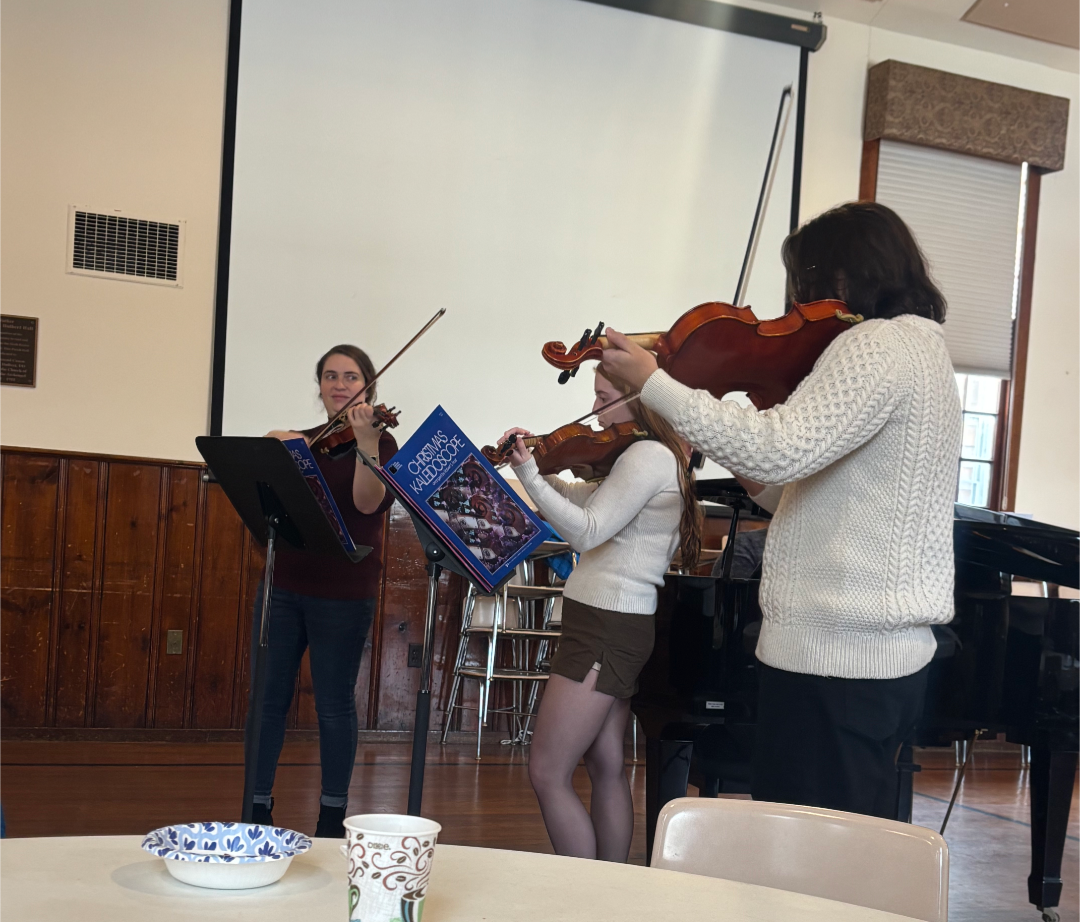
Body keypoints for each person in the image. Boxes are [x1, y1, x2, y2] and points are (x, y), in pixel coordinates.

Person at [600, 201, 962, 819]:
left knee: (804, 853)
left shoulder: (876, 344)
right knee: (844, 846)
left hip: (836, 660)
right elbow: (790, 488)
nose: (796, 304)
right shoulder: (923, 350)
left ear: (842, 275)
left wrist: (656, 384)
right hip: (873, 662)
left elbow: (779, 448)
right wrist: (722, 428)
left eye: (804, 282)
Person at [499, 367, 701, 861]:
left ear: (639, 398)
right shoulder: (647, 455)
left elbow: (586, 531)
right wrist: (534, 468)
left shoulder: (648, 456)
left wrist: (530, 474)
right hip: (612, 622)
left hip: (605, 625)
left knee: (547, 771)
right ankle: (611, 888)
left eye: (605, 397)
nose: (596, 411)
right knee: (606, 766)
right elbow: (577, 501)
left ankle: (584, 891)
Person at [250, 344, 397, 837]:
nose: (339, 384)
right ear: (319, 385)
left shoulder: (382, 443)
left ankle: (332, 815)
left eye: (350, 376)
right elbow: (269, 443)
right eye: (330, 376)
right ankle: (256, 805)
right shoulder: (307, 442)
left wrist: (366, 441)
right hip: (284, 582)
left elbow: (366, 503)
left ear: (368, 386)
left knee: (333, 704)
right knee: (267, 700)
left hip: (344, 591)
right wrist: (290, 438)